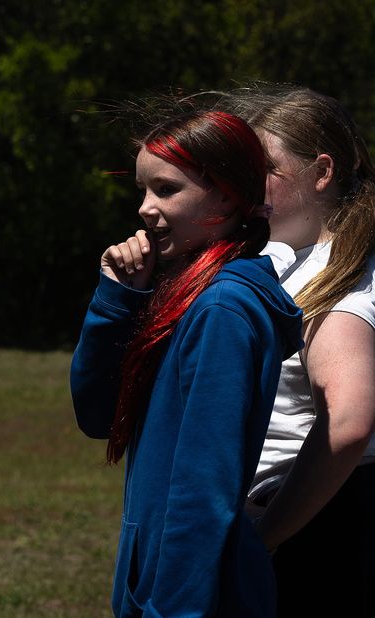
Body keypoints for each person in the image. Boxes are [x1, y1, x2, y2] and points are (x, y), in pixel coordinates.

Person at [70, 110, 303, 617]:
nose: (145, 210)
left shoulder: (223, 310)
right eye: (142, 190)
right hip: (161, 586)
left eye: (166, 190)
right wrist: (117, 301)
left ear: (226, 194)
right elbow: (98, 416)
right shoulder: (184, 297)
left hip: (192, 600)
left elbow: (203, 491)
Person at [222, 86, 375, 617]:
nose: (247, 185)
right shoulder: (278, 259)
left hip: (317, 536)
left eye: (265, 167)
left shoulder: (346, 279)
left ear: (322, 171)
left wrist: (265, 538)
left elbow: (349, 423)